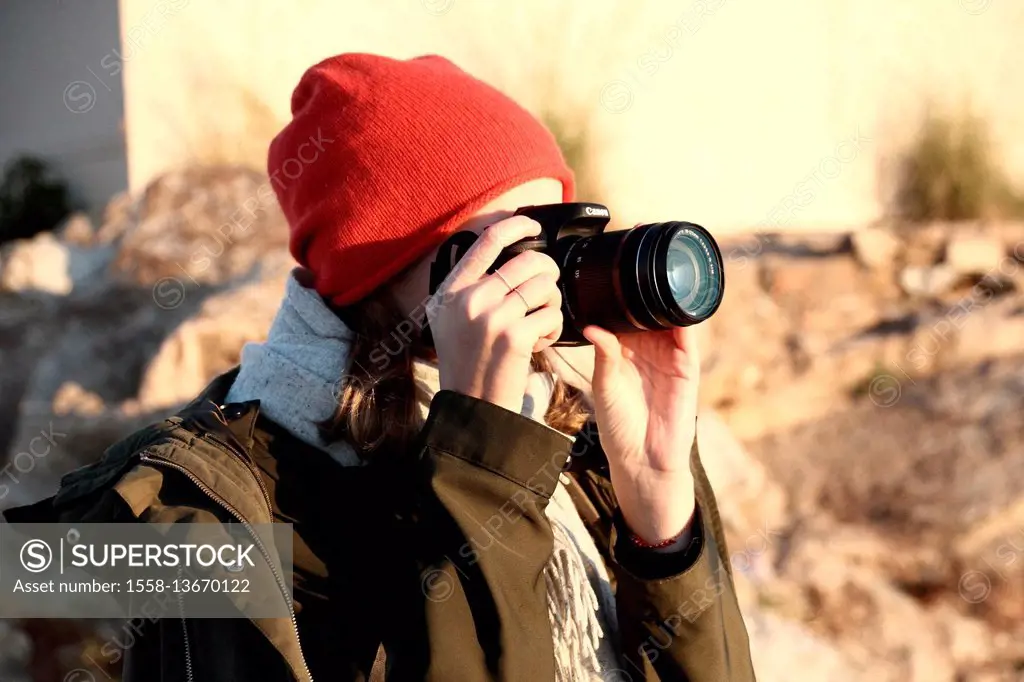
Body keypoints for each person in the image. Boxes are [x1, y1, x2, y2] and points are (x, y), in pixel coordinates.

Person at [6, 54, 755, 681]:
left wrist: (664, 535)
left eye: (556, 240)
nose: (542, 288)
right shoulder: (205, 518)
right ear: (380, 276)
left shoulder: (560, 439)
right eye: (507, 252)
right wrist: (482, 463)